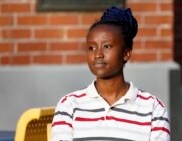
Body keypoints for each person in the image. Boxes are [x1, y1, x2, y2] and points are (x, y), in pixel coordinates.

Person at [51, 6, 170, 141]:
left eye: (106, 46)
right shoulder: (69, 105)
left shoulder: (153, 109)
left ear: (126, 53)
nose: (98, 55)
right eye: (91, 48)